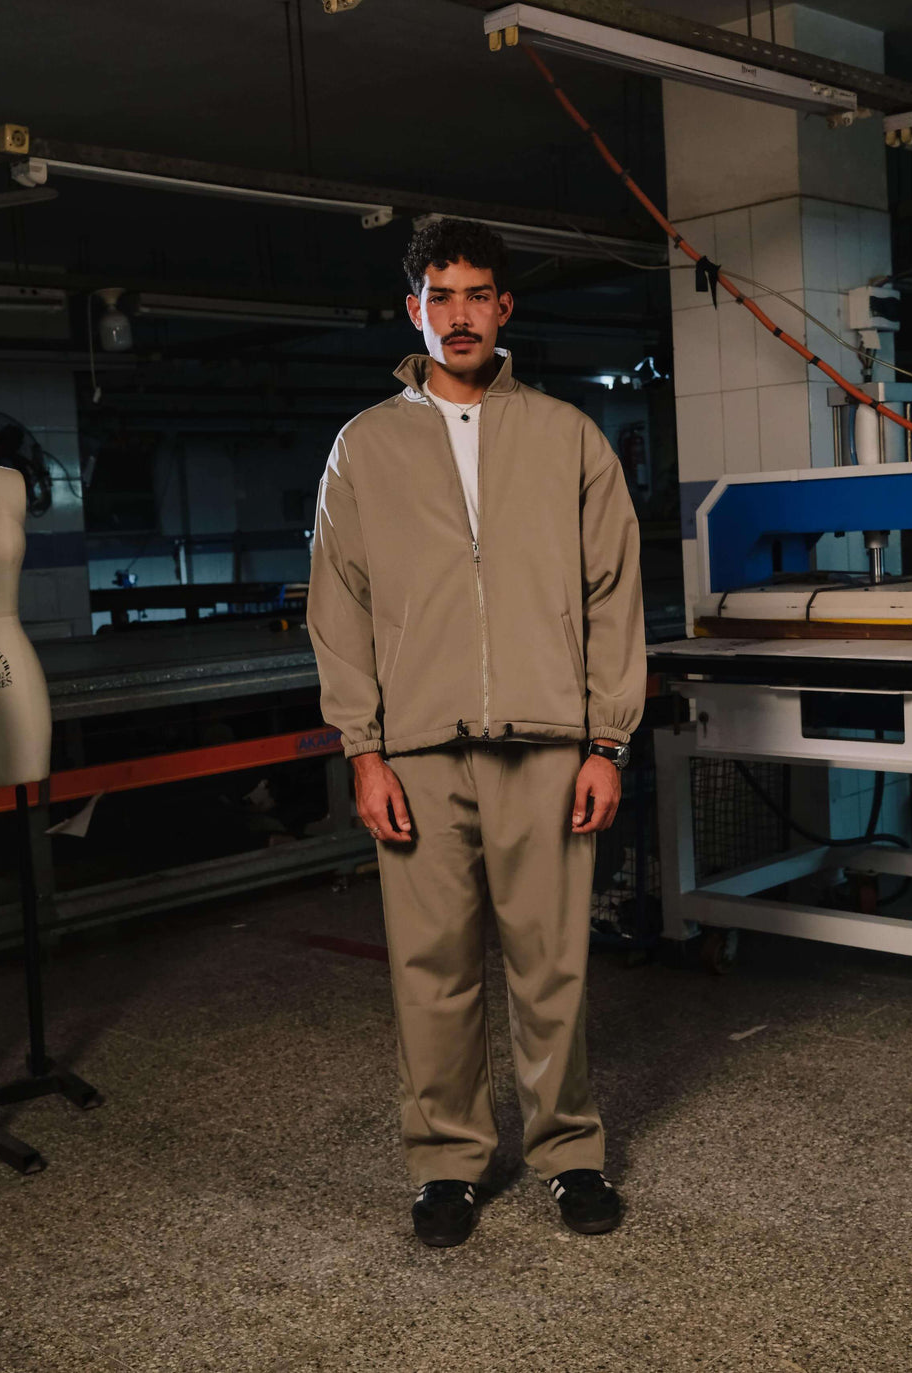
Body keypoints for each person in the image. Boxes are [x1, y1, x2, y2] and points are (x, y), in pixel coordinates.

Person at [306, 218, 647, 1247]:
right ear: (414, 308)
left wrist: (607, 740)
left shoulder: (568, 437)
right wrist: (363, 749)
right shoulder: (364, 446)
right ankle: (446, 1164)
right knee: (431, 969)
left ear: (504, 307)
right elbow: (339, 606)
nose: (459, 314)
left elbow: (613, 593)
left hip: (547, 741)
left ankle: (570, 1152)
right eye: (440, 294)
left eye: (477, 294)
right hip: (415, 749)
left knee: (553, 966)